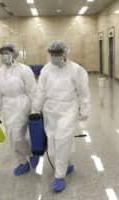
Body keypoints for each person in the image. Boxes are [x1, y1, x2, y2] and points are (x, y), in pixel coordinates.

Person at [33, 40, 91, 192]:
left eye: (58, 54)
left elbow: (84, 92)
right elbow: (41, 90)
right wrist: (36, 107)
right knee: (52, 144)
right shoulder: (46, 69)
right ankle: (66, 164)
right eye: (53, 54)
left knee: (62, 139)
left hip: (68, 110)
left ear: (65, 54)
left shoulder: (76, 70)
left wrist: (85, 110)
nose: (55, 57)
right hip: (50, 110)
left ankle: (59, 176)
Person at [0, 44, 39, 176]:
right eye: (2, 54)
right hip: (8, 107)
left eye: (6, 53)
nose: (4, 56)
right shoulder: (0, 72)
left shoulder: (24, 70)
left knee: (18, 136)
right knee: (13, 137)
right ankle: (22, 162)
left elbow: (32, 89)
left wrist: (36, 107)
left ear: (13, 54)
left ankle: (31, 154)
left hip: (22, 104)